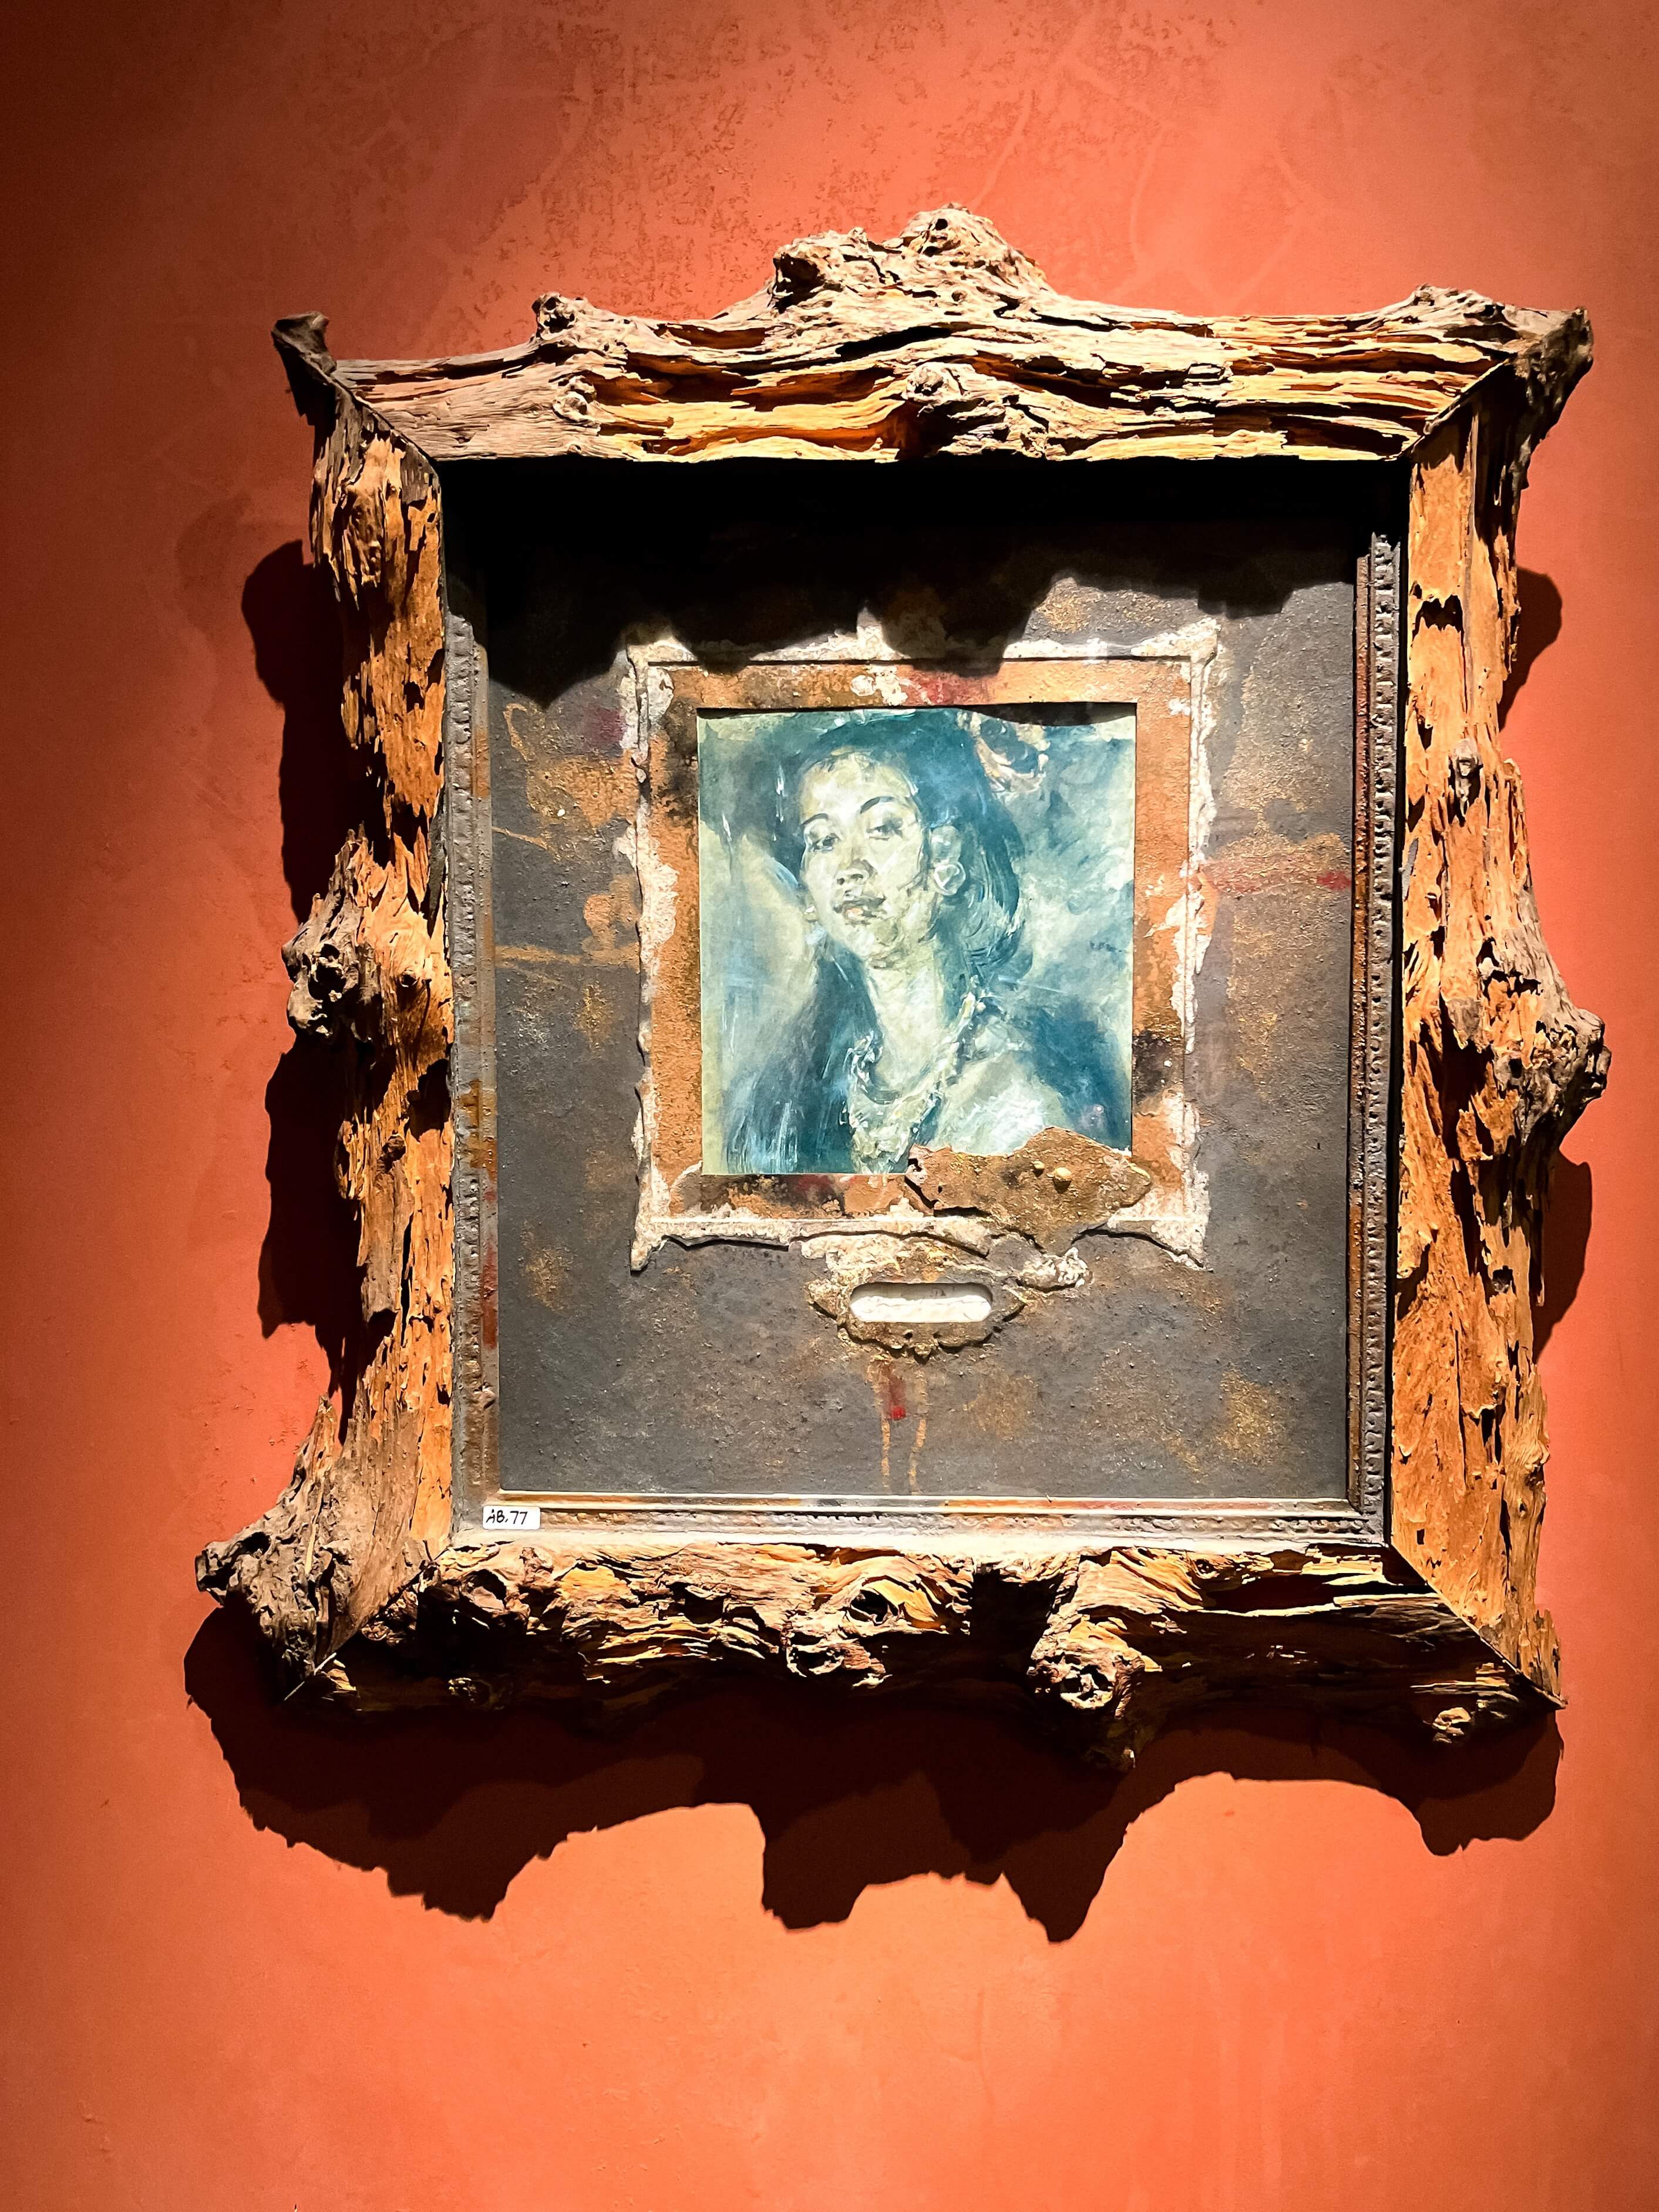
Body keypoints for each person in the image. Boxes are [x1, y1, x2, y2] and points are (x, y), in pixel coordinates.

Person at [722, 711, 1122, 1174]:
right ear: (808, 894)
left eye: (882, 828)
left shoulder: (1019, 1094)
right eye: (824, 840)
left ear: (944, 856)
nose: (850, 868)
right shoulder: (793, 1091)